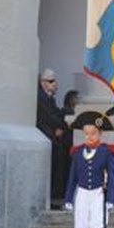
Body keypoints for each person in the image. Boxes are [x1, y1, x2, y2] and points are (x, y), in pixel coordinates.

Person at [64, 111, 114, 228]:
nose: (89, 137)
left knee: (97, 226)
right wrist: (68, 198)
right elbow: (72, 176)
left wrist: (110, 198)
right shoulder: (77, 152)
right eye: (86, 133)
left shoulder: (108, 151)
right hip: (82, 193)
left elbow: (113, 176)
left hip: (98, 193)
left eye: (93, 133)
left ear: (100, 133)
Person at [36, 68, 69, 206]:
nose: (55, 84)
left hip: (54, 139)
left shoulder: (49, 99)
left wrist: (60, 126)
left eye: (54, 81)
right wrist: (59, 124)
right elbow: (50, 117)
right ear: (43, 83)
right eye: (51, 81)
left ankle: (55, 195)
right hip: (48, 138)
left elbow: (55, 116)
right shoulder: (40, 98)